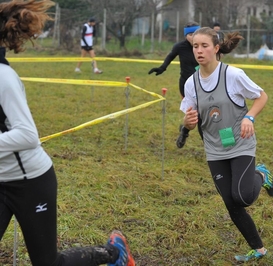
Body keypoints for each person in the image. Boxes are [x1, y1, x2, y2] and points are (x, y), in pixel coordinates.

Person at [0, 1, 134, 266]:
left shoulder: (4, 77)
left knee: (47, 263)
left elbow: (27, 135)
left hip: (30, 183)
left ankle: (114, 253)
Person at [180, 27, 273, 262]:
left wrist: (249, 116)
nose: (199, 51)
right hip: (215, 148)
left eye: (204, 46)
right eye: (195, 46)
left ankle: (262, 175)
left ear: (216, 48)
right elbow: (191, 120)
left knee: (243, 197)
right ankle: (259, 249)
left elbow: (261, 96)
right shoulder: (191, 83)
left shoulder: (233, 75)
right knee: (231, 203)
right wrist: (187, 122)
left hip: (241, 143)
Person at [148, 21, 201, 148]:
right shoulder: (180, 47)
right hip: (186, 86)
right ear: (185, 36)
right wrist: (162, 68)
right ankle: (185, 131)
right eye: (190, 34)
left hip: (203, 84)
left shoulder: (204, 46)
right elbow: (170, 56)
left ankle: (215, 146)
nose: (193, 37)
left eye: (196, 33)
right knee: (193, 115)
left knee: (205, 115)